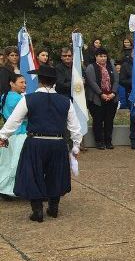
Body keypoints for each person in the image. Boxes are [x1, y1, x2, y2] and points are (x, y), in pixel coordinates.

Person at [0, 66, 82, 222]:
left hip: (35, 142)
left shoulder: (28, 99)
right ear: (54, 82)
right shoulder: (65, 101)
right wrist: (76, 145)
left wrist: (2, 136)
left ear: (39, 81)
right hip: (57, 143)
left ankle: (37, 210)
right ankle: (53, 207)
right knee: (55, 173)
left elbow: (13, 122)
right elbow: (75, 127)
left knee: (32, 174)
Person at [84, 47, 119, 149]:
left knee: (109, 121)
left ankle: (108, 141)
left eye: (104, 56)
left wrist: (113, 93)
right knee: (98, 120)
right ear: (96, 57)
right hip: (97, 99)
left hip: (111, 98)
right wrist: (101, 94)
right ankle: (99, 141)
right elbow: (92, 82)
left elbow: (116, 80)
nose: (103, 58)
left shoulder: (111, 66)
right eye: (100, 56)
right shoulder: (91, 67)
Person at [0, 74, 28, 198]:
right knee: (16, 163)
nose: (24, 85)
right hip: (20, 134)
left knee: (6, 162)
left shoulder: (4, 96)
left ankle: (4, 188)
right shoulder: (19, 99)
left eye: (25, 82)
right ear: (12, 83)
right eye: (21, 82)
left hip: (8, 134)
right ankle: (11, 189)